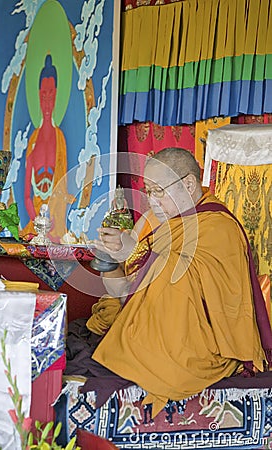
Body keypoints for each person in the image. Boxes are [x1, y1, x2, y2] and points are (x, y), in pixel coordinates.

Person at [90, 147, 272, 416]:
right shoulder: (170, 223)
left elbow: (183, 279)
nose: (152, 201)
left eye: (158, 191)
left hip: (200, 339)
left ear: (187, 184)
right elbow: (134, 290)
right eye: (148, 192)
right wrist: (113, 260)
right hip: (164, 323)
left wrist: (138, 253)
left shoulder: (218, 227)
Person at [23, 54, 75, 242]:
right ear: (37, 95)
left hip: (56, 223)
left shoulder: (60, 138)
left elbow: (63, 186)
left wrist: (54, 218)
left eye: (51, 94)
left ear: (57, 95)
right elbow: (27, 194)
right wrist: (36, 221)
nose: (46, 101)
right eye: (43, 95)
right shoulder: (33, 140)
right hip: (35, 226)